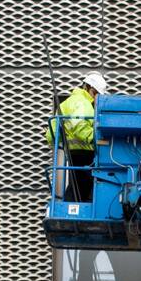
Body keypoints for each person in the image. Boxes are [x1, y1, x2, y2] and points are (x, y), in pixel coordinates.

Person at [45, 72, 107, 202]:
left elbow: (52, 134)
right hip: (85, 151)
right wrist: (95, 139)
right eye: (97, 95)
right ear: (91, 90)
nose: (98, 99)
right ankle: (73, 208)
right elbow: (80, 126)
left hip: (72, 152)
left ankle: (69, 207)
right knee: (84, 185)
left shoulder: (67, 104)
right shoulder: (82, 103)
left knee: (77, 184)